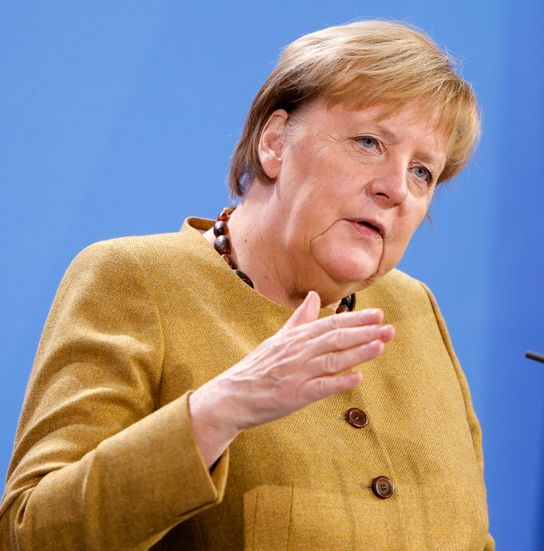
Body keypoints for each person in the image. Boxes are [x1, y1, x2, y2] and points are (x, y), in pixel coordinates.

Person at [0, 20, 493, 550]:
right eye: (369, 142)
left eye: (423, 172)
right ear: (275, 143)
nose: (396, 187)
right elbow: (31, 535)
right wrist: (222, 409)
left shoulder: (414, 308)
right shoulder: (135, 281)